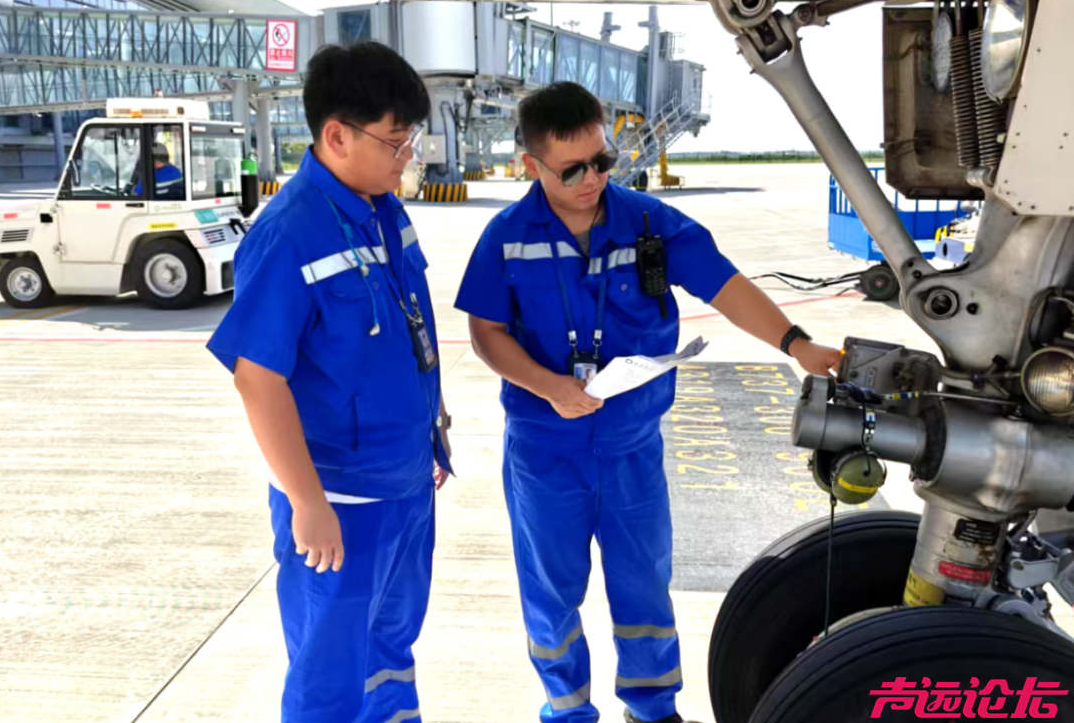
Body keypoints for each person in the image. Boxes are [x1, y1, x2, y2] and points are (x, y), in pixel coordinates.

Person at [455, 82, 840, 723]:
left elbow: (725, 285)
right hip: (545, 453)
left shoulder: (647, 223)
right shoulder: (506, 237)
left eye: (602, 161)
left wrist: (796, 343)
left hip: (632, 447)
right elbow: (486, 333)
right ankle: (567, 709)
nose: (592, 179)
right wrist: (549, 386)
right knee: (551, 593)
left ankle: (653, 709)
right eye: (572, 170)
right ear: (531, 165)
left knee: (644, 587)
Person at [207, 41, 453, 723]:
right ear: (337, 135)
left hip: (405, 484)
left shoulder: (383, 209)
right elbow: (258, 378)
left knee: (391, 651)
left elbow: (407, 327)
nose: (408, 158)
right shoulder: (290, 232)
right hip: (340, 500)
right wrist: (307, 502)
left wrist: (431, 427)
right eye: (396, 142)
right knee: (329, 676)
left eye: (410, 140)